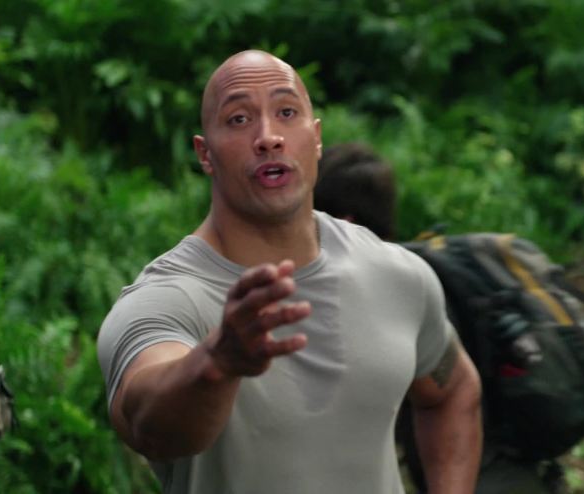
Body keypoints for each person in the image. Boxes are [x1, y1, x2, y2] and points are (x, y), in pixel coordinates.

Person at [96, 50, 482, 494]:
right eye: (239, 119)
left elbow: (454, 389)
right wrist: (217, 362)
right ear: (205, 154)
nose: (268, 138)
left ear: (315, 138)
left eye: (286, 112)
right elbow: (149, 428)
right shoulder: (168, 299)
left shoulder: (394, 273)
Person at [315, 142, 565, 494]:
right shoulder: (415, 278)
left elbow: (453, 395)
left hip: (485, 477)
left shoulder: (393, 293)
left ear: (344, 222)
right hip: (518, 470)